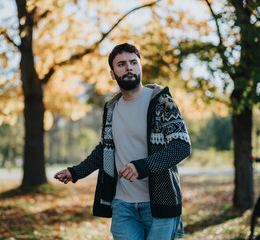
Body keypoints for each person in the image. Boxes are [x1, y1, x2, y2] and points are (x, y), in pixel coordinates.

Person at [54, 43, 191, 240]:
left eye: (133, 62)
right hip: (122, 206)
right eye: (121, 64)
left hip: (160, 204)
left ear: (140, 67)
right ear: (113, 73)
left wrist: (141, 167)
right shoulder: (111, 109)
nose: (128, 67)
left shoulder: (162, 102)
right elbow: (104, 150)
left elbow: (181, 146)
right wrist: (75, 172)